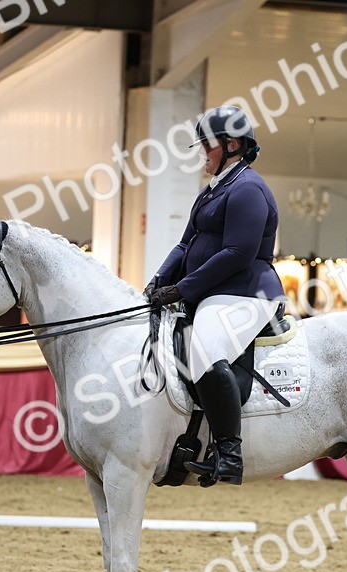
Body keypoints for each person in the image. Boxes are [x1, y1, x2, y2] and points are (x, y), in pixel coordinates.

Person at [144, 106, 286, 487]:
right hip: (215, 293)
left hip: (245, 292)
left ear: (232, 145)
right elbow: (185, 243)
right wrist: (158, 282)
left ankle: (228, 452)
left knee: (203, 351)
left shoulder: (249, 189)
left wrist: (184, 288)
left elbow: (238, 253)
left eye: (207, 145)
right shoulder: (214, 190)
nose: (202, 152)